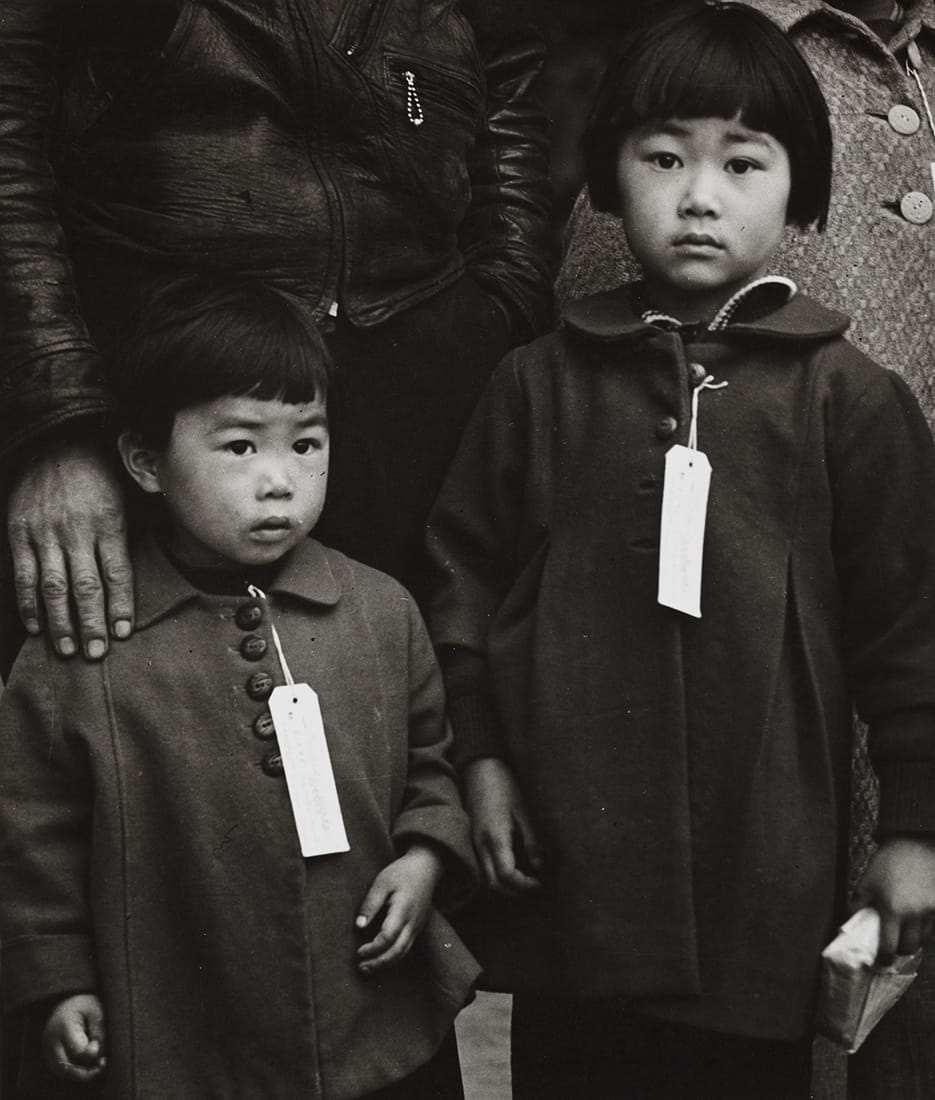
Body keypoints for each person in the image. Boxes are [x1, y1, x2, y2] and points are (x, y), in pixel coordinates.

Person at [426, 6, 935, 1098]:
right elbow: (460, 589)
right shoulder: (537, 387)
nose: (699, 195)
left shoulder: (849, 401)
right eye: (663, 158)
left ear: (799, 190)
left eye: (741, 163)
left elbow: (910, 637)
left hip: (762, 895)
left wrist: (912, 831)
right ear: (607, 179)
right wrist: (481, 763)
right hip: (571, 887)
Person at [0, 273, 480, 1099]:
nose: (280, 480)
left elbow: (429, 764)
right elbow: (32, 837)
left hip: (366, 1020)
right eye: (239, 447)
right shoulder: (83, 648)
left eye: (307, 443)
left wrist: (425, 856)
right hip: (180, 1039)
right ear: (146, 461)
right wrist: (60, 983)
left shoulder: (381, 611)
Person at [0, 0, 552, 676]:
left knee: (414, 708)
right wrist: (56, 424)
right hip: (160, 388)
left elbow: (506, 84)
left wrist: (502, 308)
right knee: (137, 710)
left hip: (425, 393)